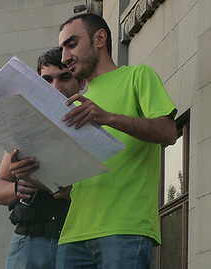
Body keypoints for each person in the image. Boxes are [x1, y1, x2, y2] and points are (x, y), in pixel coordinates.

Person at [54, 13, 178, 269]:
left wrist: (108, 117)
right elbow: (69, 188)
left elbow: (168, 132)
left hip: (125, 231)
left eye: (72, 44)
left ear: (100, 38)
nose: (65, 58)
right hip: (72, 235)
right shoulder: (77, 101)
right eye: (62, 49)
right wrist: (36, 174)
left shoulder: (138, 76)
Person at [0, 47, 87, 269]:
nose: (56, 87)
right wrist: (17, 189)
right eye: (47, 79)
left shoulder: (92, 123)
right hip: (30, 237)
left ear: (81, 82)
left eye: (64, 78)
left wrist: (73, 191)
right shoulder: (25, 126)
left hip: (77, 238)